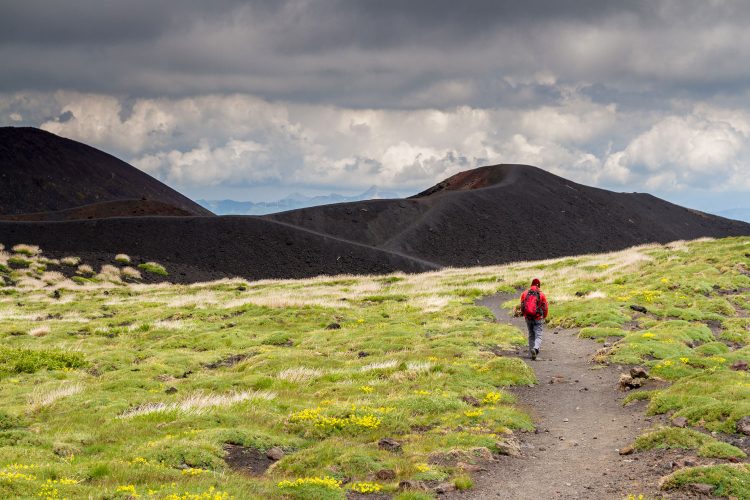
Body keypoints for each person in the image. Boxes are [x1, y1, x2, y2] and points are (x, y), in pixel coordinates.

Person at [519, 278, 548, 360]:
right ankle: (535, 349)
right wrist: (544, 316)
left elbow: (522, 305)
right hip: (538, 317)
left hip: (528, 317)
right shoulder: (541, 295)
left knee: (531, 334)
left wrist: (524, 314)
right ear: (539, 285)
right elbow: (545, 307)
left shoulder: (524, 293)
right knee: (538, 334)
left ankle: (531, 354)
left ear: (531, 285)